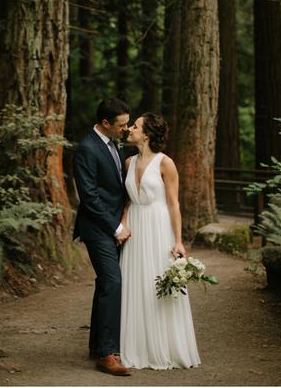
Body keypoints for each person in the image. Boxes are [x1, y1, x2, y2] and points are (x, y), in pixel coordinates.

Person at [118, 112, 201, 370]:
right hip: (135, 229)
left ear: (147, 134)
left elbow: (174, 204)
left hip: (158, 227)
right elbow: (128, 201)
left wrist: (178, 241)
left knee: (158, 284)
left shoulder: (166, 163)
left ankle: (165, 346)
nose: (130, 128)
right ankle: (136, 346)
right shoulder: (129, 162)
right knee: (135, 283)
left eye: (135, 126)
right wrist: (124, 225)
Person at [72, 98, 133, 376]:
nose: (126, 129)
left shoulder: (113, 144)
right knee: (112, 281)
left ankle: (97, 343)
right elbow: (89, 196)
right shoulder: (86, 149)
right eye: (121, 125)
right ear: (106, 123)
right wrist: (115, 227)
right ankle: (107, 354)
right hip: (97, 228)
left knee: (104, 284)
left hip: (112, 225)